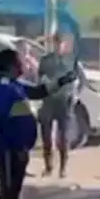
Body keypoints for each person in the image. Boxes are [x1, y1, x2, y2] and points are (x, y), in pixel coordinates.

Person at [0, 49, 77, 199]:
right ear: (10, 66)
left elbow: (37, 92)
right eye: (19, 63)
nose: (23, 66)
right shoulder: (3, 89)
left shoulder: (14, 86)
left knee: (11, 196)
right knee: (7, 196)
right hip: (8, 150)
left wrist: (63, 81)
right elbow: (1, 119)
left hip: (18, 150)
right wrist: (15, 146)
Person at [36, 33, 82, 178]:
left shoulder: (72, 59)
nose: (59, 46)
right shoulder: (46, 60)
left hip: (65, 100)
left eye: (62, 43)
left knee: (64, 137)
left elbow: (81, 78)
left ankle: (63, 168)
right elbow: (40, 77)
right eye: (57, 43)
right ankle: (48, 166)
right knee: (46, 136)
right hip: (49, 100)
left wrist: (76, 95)